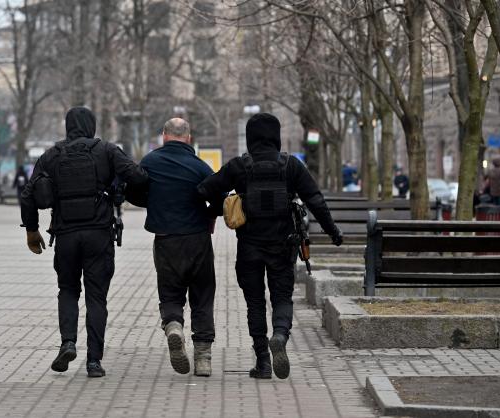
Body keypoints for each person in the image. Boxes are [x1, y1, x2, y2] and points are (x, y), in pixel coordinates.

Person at [197, 113, 342, 380]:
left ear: (251, 137)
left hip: (249, 247)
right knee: (282, 299)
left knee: (254, 303)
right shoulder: (291, 166)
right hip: (282, 246)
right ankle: (280, 335)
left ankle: (263, 362)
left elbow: (205, 189)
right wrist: (333, 233)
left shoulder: (240, 166)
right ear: (276, 135)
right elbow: (315, 200)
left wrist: (223, 205)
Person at [20, 107, 148, 378]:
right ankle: (94, 361)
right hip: (98, 235)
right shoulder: (107, 150)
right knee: (96, 297)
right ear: (92, 125)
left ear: (67, 126)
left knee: (67, 290)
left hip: (65, 235)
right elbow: (137, 177)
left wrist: (32, 230)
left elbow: (28, 194)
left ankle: (68, 342)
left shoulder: (52, 155)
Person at [126, 118, 222, 377]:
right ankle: (203, 358)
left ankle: (174, 326)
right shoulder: (200, 166)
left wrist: (153, 201)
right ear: (188, 138)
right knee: (202, 295)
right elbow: (219, 197)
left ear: (164, 136)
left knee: (170, 293)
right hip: (198, 240)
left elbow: (132, 191)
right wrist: (209, 213)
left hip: (166, 239)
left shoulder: (149, 162)